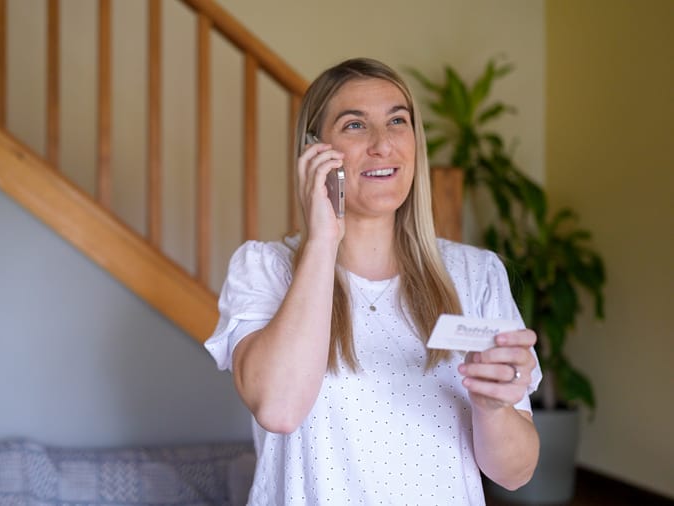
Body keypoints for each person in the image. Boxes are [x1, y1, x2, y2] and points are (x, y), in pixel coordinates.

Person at [204, 58, 542, 505]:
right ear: (314, 149)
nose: (383, 144)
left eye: (397, 121)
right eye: (355, 125)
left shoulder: (475, 275)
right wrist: (323, 239)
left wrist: (491, 406)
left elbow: (516, 474)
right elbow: (279, 409)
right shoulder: (266, 269)